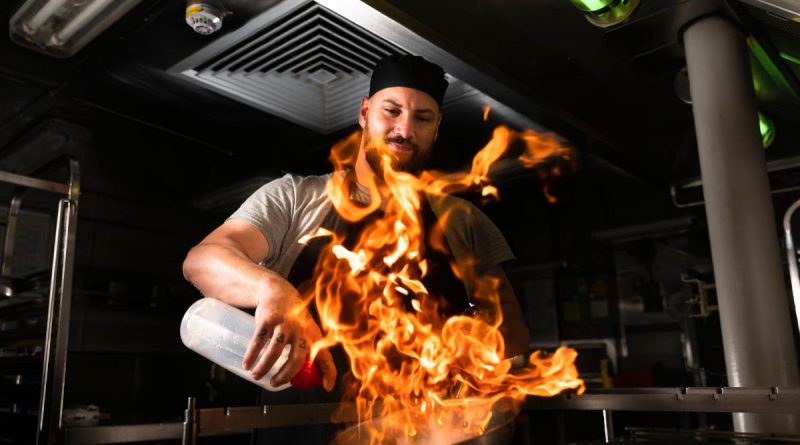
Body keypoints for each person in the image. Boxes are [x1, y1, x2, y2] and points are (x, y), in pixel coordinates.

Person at [182, 54, 531, 442]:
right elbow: (204, 259)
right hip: (300, 432)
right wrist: (274, 290)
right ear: (365, 112)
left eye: (422, 118)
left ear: (436, 129)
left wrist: (470, 345)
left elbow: (512, 330)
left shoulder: (463, 220)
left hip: (423, 432)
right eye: (392, 111)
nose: (404, 129)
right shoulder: (296, 197)